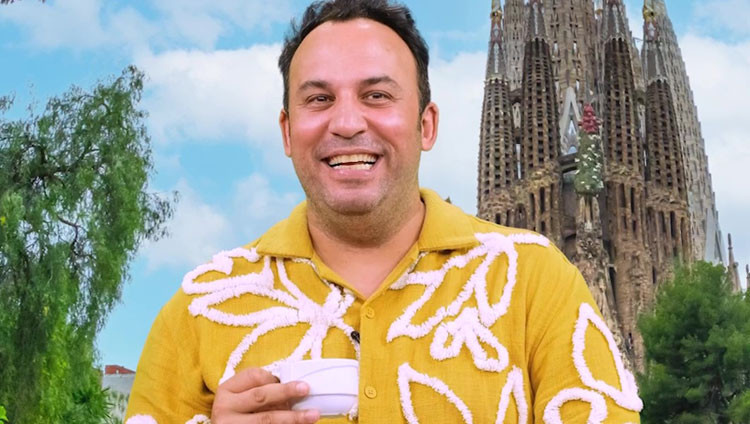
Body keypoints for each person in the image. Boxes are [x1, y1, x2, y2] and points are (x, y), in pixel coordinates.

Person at [125, 0, 642, 422]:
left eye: (376, 95)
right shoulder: (201, 307)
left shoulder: (533, 281)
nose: (347, 123)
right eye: (318, 99)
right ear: (287, 131)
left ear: (426, 125)